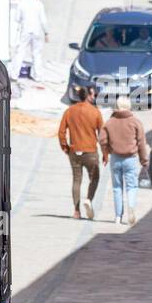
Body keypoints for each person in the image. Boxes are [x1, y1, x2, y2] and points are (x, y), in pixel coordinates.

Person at [58, 85, 104, 220]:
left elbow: (61, 132)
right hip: (90, 151)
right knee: (94, 178)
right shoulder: (95, 112)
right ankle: (88, 199)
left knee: (76, 180)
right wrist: (105, 153)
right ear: (89, 96)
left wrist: (65, 147)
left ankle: (76, 211)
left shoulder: (69, 111)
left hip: (74, 151)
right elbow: (102, 134)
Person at [101, 95, 148, 225]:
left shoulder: (110, 122)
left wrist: (106, 152)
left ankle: (117, 216)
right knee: (131, 186)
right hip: (130, 159)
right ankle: (131, 208)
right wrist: (144, 161)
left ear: (117, 106)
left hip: (115, 158)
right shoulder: (135, 122)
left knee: (117, 188)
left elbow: (102, 140)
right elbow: (141, 143)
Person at [10, 0, 49, 81]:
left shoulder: (22, 3)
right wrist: (46, 33)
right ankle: (37, 76)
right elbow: (43, 20)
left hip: (25, 31)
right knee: (36, 53)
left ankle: (15, 75)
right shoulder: (39, 4)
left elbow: (17, 18)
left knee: (20, 52)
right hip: (37, 31)